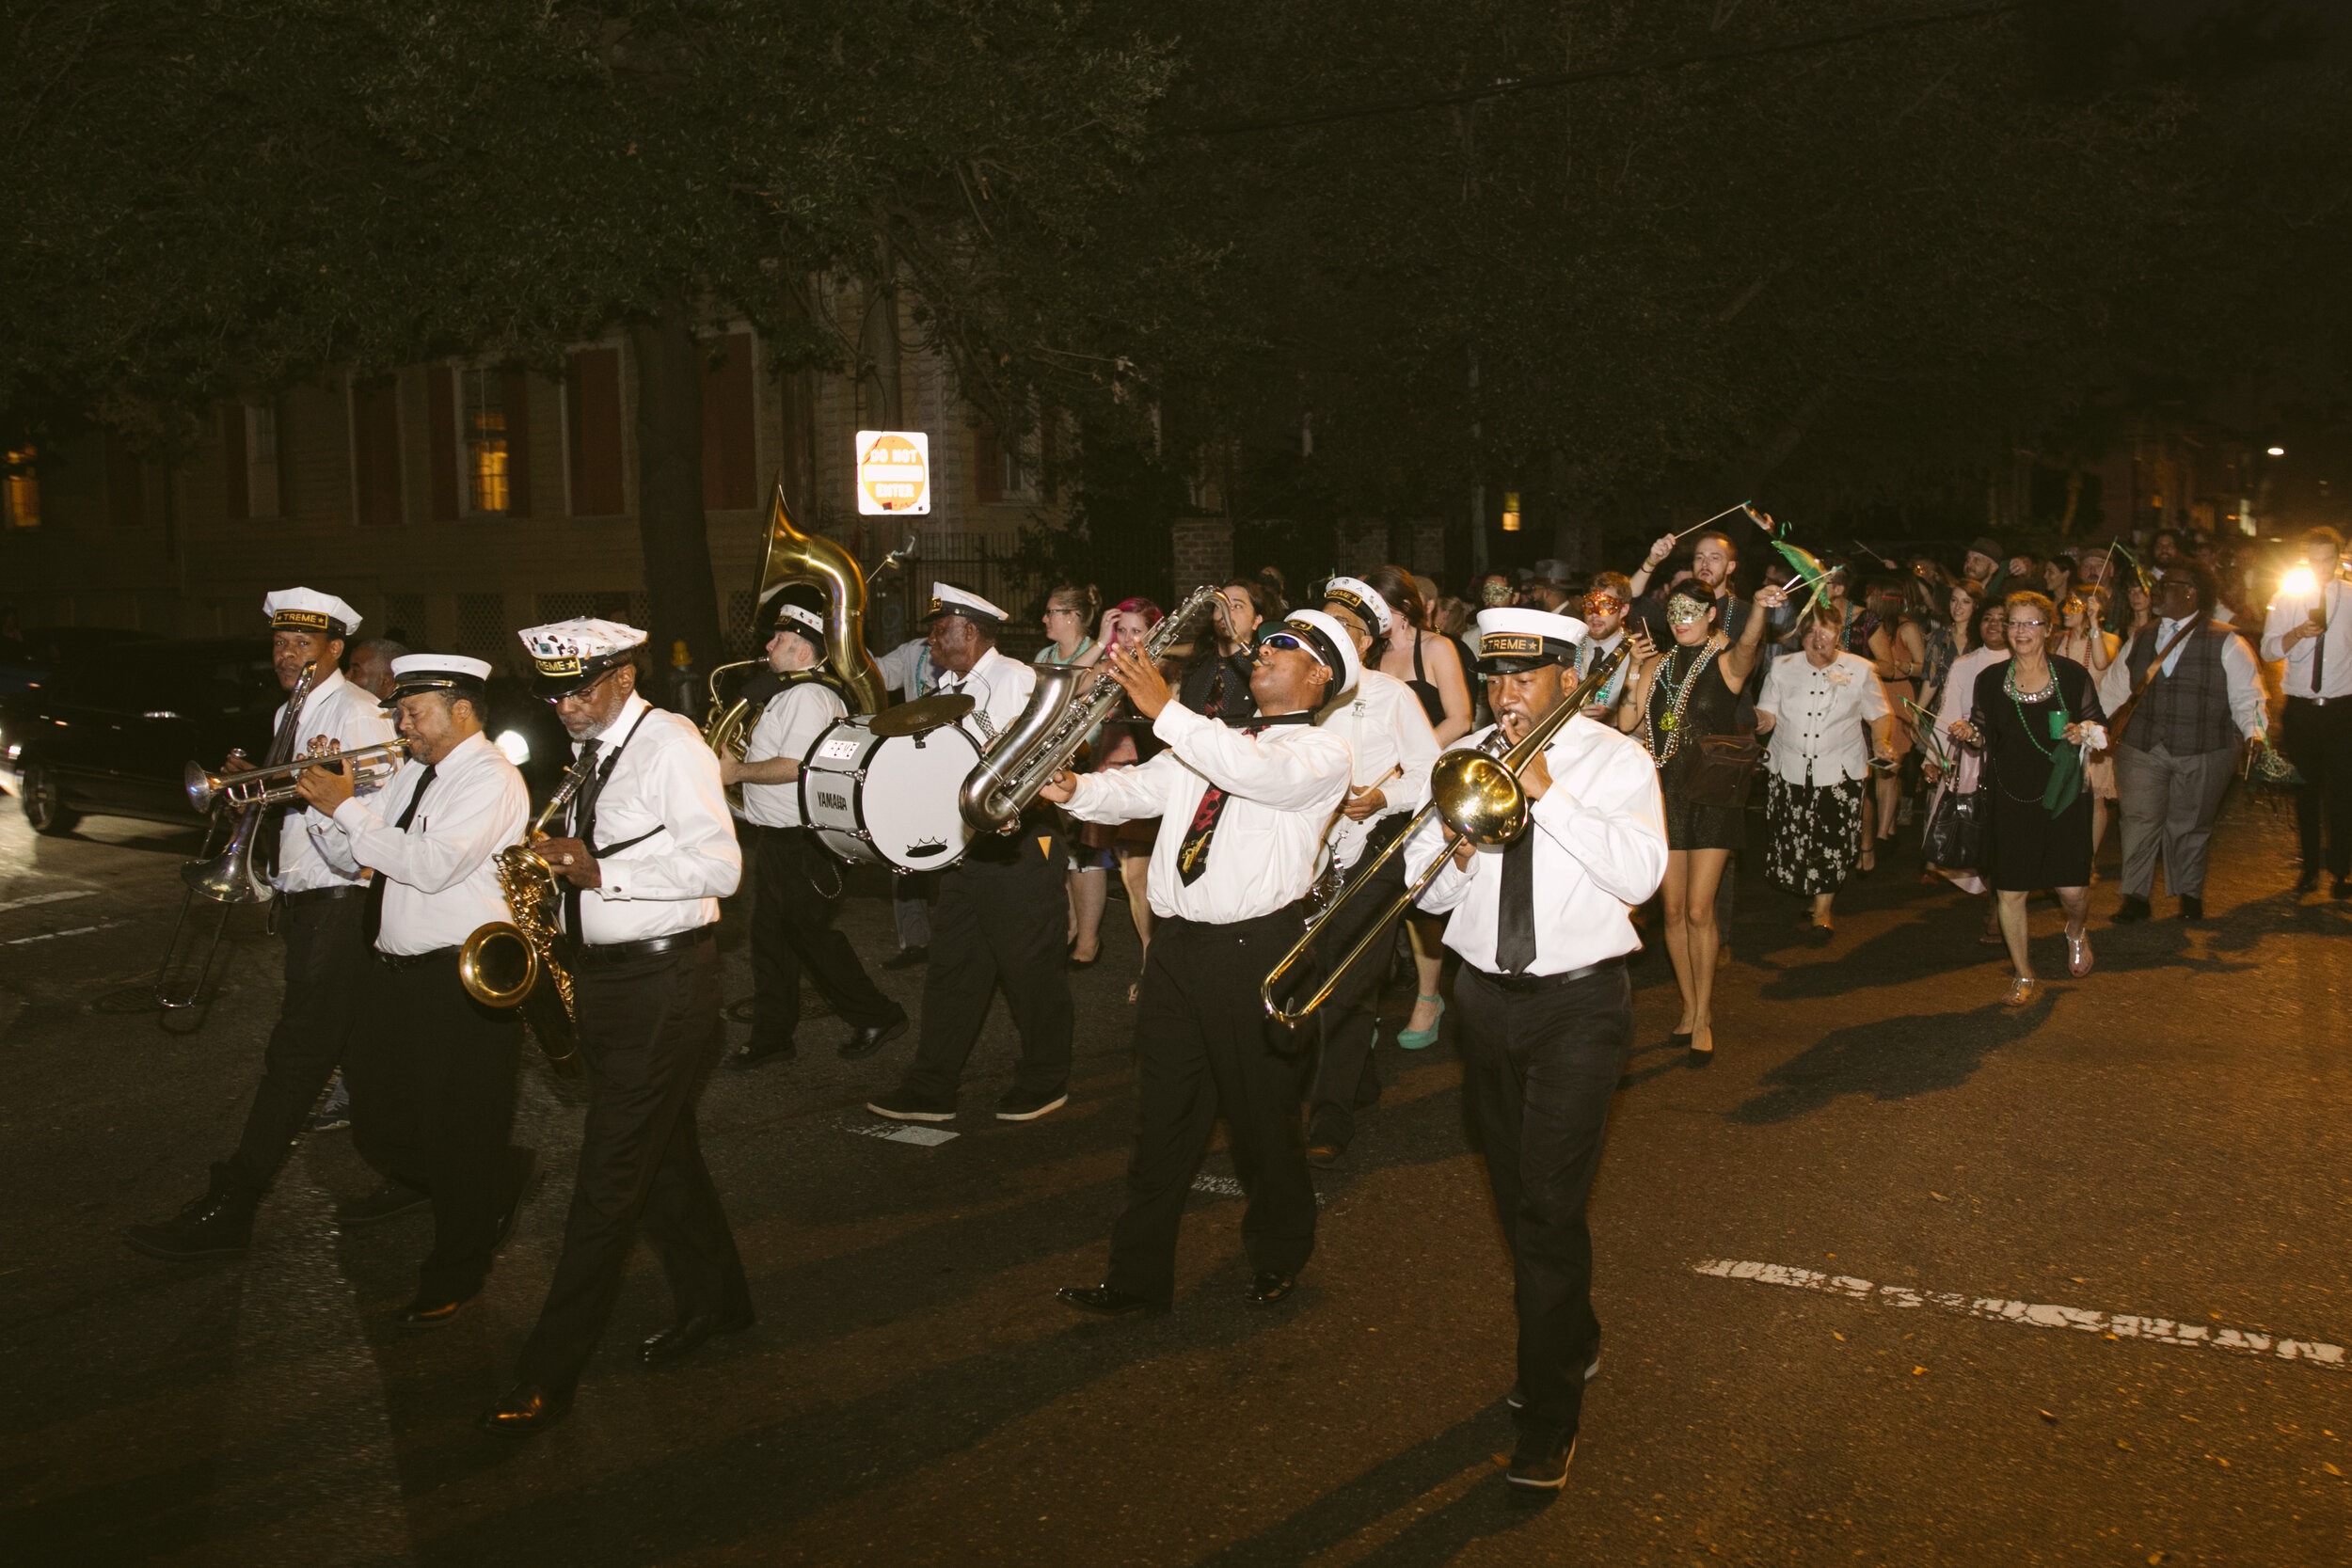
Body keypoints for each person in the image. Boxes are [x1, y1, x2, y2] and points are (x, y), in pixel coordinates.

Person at [1402, 605, 1667, 1491]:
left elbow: (1640, 876)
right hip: (1484, 998)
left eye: (1526, 676)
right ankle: (1573, 1332)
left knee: (1549, 1208)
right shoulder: (1461, 754)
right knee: (1520, 1195)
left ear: (1568, 675)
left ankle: (1548, 1412)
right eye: (1496, 677)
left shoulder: (1615, 759)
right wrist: (1452, 851)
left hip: (1579, 1004)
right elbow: (1426, 900)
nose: (1507, 694)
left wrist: (1548, 792)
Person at [481, 618, 748, 1436]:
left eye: (578, 688)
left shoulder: (670, 746)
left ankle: (547, 1370)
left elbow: (722, 865)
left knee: (608, 1177)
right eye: (552, 691)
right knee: (663, 1156)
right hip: (607, 981)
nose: (562, 704)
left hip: (666, 982)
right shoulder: (596, 748)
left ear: (624, 677)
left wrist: (604, 871)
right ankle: (721, 1300)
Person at [1044, 611, 1353, 1318]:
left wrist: (1165, 708)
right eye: (1266, 642)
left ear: (1320, 676)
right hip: (1178, 947)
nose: (1265, 653)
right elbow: (1142, 791)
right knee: (1163, 1121)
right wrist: (1076, 790)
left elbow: (1248, 773)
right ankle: (1136, 1279)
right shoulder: (1211, 740)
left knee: (1261, 1119)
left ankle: (1280, 1253)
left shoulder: (1319, 753)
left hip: (1256, 948)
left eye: (1286, 648)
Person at [124, 589, 399, 1260]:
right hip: (307, 902)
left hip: (344, 900)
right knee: (373, 1059)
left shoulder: (361, 712)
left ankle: (234, 1203)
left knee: (295, 1058)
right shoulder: (291, 711)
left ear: (335, 649)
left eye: (301, 645)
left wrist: (317, 791)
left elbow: (378, 810)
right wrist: (258, 787)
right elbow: (302, 800)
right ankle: (451, 1173)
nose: (285, 656)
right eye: (278, 644)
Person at [295, 653, 532, 1325]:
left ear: (461, 710)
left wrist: (349, 809)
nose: (402, 725)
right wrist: (326, 805)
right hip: (396, 973)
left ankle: (457, 1269)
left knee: (456, 1129)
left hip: (460, 978)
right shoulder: (414, 775)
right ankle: (493, 1175)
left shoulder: (489, 778)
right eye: (400, 712)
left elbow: (427, 866)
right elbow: (354, 857)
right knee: (378, 1119)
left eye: (413, 712)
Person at [868, 584, 1075, 1122]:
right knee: (952, 969)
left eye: (942, 629)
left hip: (1021, 844)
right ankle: (931, 1088)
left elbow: (1029, 755)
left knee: (1029, 971)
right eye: (933, 629)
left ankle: (1045, 1080)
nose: (931, 638)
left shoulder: (1014, 678)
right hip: (967, 846)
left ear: (975, 632)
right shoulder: (944, 686)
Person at [727, 588, 909, 1069]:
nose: (769, 645)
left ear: (803, 649)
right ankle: (772, 1037)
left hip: (802, 840)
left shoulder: (809, 695)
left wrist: (737, 772)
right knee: (772, 941)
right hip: (779, 838)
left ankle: (877, 1014)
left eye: (779, 638)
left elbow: (794, 767)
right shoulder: (791, 693)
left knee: (807, 935)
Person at [1302, 578, 1439, 1167]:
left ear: (1362, 642)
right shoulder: (1295, 687)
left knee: (1349, 980)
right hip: (1302, 851)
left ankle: (1328, 1117)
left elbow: (1432, 774)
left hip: (1374, 846)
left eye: (1341, 626)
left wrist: (1384, 800)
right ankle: (1358, 1077)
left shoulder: (1391, 696)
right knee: (1310, 972)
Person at [1619, 579, 1775, 1062]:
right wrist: (1630, 671)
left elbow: (1749, 646)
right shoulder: (1656, 666)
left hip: (1711, 796)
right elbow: (1628, 725)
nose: (1682, 617)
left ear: (1711, 615)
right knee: (1670, 912)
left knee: (1699, 911)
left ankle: (1704, 1012)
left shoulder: (1725, 663)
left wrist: (1760, 611)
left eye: (1693, 609)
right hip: (1664, 796)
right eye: (1675, 610)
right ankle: (1687, 1007)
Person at [1947, 592, 2106, 1007]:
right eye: (2013, 623)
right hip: (2010, 797)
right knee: (2010, 891)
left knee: (2072, 890)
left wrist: (2082, 731)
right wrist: (1971, 733)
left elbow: (2101, 727)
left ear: (2048, 629)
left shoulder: (2071, 676)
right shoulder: (1990, 680)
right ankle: (2023, 972)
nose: (2019, 631)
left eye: (2030, 623)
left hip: (2064, 794)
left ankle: (2075, 930)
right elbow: (1982, 733)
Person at [2108, 564, 2265, 923]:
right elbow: (2116, 689)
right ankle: (2135, 897)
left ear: (2192, 591)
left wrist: (2255, 734)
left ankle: (2189, 894)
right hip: (2142, 746)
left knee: (2190, 824)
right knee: (2137, 819)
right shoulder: (2142, 636)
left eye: (2167, 586)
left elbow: (2248, 696)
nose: (2157, 592)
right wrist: (2096, 726)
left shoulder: (2227, 641)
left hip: (2205, 747)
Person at [1360, 564, 1470, 1049]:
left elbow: (1462, 718)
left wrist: (1412, 761)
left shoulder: (1437, 648)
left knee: (1421, 896)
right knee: (1374, 897)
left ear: (1403, 608)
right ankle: (1362, 1005)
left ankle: (1429, 998)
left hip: (1427, 783)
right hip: (1383, 788)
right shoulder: (1372, 653)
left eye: (1376, 606)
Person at [1755, 601, 1896, 935]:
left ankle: (1823, 910)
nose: (1818, 638)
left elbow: (1880, 714)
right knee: (1797, 837)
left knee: (1831, 838)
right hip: (1789, 766)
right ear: (1801, 635)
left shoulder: (1860, 669)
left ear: (1838, 635)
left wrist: (1881, 741)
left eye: (1826, 630)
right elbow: (1768, 714)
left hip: (1840, 769)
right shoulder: (1781, 666)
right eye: (1810, 631)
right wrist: (1753, 719)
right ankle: (1811, 890)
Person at [2262, 528, 2352, 897]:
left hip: (2343, 707)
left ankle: (2342, 873)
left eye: (2327, 558)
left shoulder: (2349, 596)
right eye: (2314, 560)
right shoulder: (2286, 597)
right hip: (2301, 708)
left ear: (2339, 557)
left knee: (2343, 792)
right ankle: (2310, 868)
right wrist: (2298, 633)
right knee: (2306, 791)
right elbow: (2268, 651)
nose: (2321, 567)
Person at [1093, 597, 1169, 1002]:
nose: (1126, 638)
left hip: (1171, 783)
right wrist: (1101, 641)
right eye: (1121, 630)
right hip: (1133, 783)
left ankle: (1169, 966)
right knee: (1135, 879)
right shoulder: (1110, 670)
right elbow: (1079, 686)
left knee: (1167, 880)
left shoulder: (1169, 673)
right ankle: (1148, 963)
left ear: (1154, 632)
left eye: (1135, 630)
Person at [1035, 583, 1111, 965]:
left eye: (1051, 612)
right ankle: (1066, 926)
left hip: (1086, 762)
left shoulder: (1098, 655)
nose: (1045, 618)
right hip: (1047, 762)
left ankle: (1089, 939)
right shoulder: (1044, 654)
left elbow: (1072, 687)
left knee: (1086, 855)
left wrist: (1099, 643)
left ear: (1073, 617)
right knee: (1053, 851)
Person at [2055, 587, 2122, 874]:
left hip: (2095, 724)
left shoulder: (2110, 639)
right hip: (2065, 724)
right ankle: (2063, 856)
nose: (2065, 610)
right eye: (2065, 604)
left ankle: (2088, 862)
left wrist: (2094, 624)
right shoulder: (2060, 640)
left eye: (2074, 606)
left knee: (2094, 797)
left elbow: (2101, 663)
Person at [1576, 574, 1635, 720]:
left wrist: (1614, 718)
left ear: (1623, 610)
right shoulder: (1570, 649)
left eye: (1605, 605)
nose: (1595, 615)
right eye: (1590, 604)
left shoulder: (1636, 655)